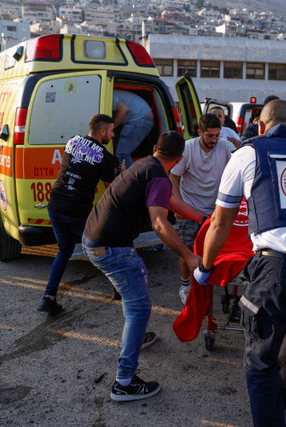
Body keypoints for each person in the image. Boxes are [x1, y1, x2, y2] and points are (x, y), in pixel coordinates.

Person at [197, 100, 286, 426]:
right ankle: (278, 405)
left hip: (278, 265)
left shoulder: (246, 154)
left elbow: (220, 223)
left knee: (261, 360)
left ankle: (271, 413)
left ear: (260, 126)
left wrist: (205, 267)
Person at [82, 131, 201, 401]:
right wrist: (189, 255)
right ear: (180, 158)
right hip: (111, 247)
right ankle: (124, 383)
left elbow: (170, 202)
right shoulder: (159, 175)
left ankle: (137, 338)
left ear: (157, 147)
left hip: (94, 238)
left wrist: (203, 217)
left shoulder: (145, 165)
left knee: (133, 298)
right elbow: (160, 224)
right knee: (139, 307)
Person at [37, 114, 118, 315]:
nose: (113, 135)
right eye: (111, 131)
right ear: (102, 131)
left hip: (55, 206)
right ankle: (120, 289)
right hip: (77, 211)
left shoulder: (72, 141)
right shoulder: (106, 157)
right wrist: (120, 173)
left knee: (64, 250)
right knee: (103, 245)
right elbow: (111, 190)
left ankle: (49, 298)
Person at [170, 114, 235, 305]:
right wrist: (178, 204)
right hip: (190, 209)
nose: (214, 140)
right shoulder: (187, 148)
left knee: (215, 251)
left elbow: (240, 161)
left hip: (216, 211)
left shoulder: (224, 145)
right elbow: (173, 177)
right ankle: (184, 286)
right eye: (210, 136)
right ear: (200, 132)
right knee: (186, 251)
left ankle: (208, 283)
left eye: (217, 135)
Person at [112, 89, 154, 170]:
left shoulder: (107, 96)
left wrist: (111, 128)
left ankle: (132, 180)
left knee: (122, 153)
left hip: (140, 119)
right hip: (140, 118)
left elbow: (124, 109)